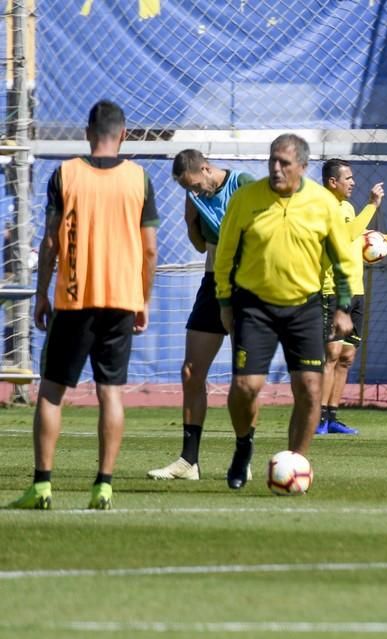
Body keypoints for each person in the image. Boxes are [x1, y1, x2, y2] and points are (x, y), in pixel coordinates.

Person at [7, 100, 159, 510]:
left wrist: (41, 293)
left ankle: (42, 485)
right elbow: (149, 251)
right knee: (111, 394)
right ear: (123, 134)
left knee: (52, 394)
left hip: (75, 300)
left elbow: (52, 240)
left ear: (88, 133)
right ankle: (104, 485)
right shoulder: (140, 179)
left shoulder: (66, 174)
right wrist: (142, 298)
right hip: (122, 301)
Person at [214, 134, 353, 489]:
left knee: (309, 387)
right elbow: (225, 254)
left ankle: (296, 464)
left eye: (284, 163)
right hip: (254, 305)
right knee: (247, 386)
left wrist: (342, 307)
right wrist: (226, 302)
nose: (276, 168)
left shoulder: (323, 203)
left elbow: (342, 259)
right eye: (272, 161)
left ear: (302, 167)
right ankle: (244, 445)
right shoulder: (246, 198)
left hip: (304, 307)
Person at [147, 150, 255, 481]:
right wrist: (190, 219)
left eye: (194, 185)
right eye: (185, 188)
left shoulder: (242, 184)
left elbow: (249, 236)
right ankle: (188, 461)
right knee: (191, 371)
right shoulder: (196, 199)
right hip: (213, 283)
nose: (193, 192)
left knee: (244, 380)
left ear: (206, 168)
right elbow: (199, 245)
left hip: (247, 286)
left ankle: (243, 455)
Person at [316, 159, 387, 436]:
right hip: (333, 289)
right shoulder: (323, 205)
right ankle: (318, 418)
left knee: (347, 356)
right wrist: (372, 205)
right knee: (332, 353)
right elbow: (345, 234)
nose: (353, 182)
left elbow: (358, 234)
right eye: (347, 178)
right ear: (332, 182)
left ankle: (332, 416)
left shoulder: (347, 207)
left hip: (356, 289)